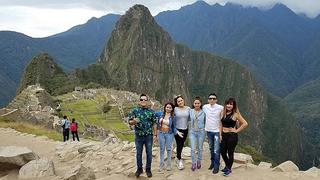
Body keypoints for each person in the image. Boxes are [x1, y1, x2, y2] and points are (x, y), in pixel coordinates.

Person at [128, 94, 157, 178]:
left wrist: (155, 134)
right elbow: (129, 121)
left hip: (149, 136)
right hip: (139, 136)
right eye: (141, 99)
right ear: (139, 101)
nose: (143, 101)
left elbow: (154, 123)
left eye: (145, 99)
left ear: (147, 101)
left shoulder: (151, 112)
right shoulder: (135, 111)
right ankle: (139, 169)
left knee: (149, 153)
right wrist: (133, 121)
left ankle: (148, 169)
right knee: (139, 153)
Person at [220, 98, 248, 176]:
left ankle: (228, 169)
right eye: (227, 104)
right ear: (225, 104)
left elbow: (245, 123)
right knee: (222, 152)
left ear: (233, 105)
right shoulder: (222, 112)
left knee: (230, 153)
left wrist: (236, 130)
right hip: (224, 135)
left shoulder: (236, 114)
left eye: (231, 104)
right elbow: (221, 124)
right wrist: (220, 134)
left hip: (232, 136)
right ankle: (227, 166)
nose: (229, 105)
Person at [155, 102, 183, 172]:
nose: (168, 109)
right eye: (167, 107)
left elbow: (173, 127)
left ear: (172, 109)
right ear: (165, 107)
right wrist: (153, 106)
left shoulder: (173, 117)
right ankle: (161, 165)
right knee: (162, 149)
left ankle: (169, 165)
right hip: (161, 133)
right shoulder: (160, 114)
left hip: (169, 134)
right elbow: (153, 113)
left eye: (170, 108)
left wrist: (177, 132)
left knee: (169, 149)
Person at [203, 93, 223, 174]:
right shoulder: (205, 107)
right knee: (211, 148)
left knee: (216, 150)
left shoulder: (220, 107)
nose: (212, 100)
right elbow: (196, 109)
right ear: (208, 100)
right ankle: (212, 163)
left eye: (214, 98)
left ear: (216, 100)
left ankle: (216, 166)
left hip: (217, 132)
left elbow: (226, 116)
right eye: (210, 98)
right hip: (209, 131)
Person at [189, 97, 206, 171]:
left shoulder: (204, 112)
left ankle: (199, 161)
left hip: (201, 132)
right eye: (195, 103)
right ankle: (193, 163)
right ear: (193, 104)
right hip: (192, 132)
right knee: (193, 149)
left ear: (200, 104)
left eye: (198, 103)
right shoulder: (190, 111)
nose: (197, 104)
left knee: (200, 148)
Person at [173, 95, 190, 170]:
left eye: (181, 100)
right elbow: (171, 118)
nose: (180, 102)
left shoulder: (188, 108)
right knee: (179, 144)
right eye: (178, 101)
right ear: (177, 103)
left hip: (185, 129)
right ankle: (179, 160)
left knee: (182, 144)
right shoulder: (175, 109)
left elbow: (190, 118)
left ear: (184, 100)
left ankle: (178, 157)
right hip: (177, 129)